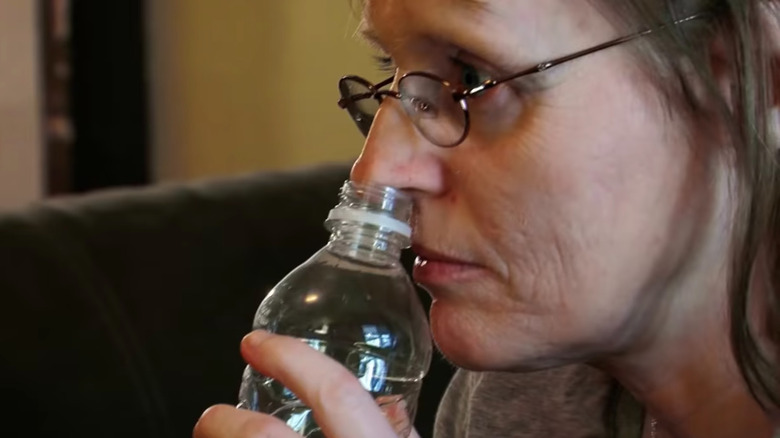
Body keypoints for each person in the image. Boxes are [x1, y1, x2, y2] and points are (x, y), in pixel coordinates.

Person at [193, 0, 780, 437]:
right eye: (391, 74)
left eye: (471, 77)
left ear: (756, 76)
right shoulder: (520, 393)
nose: (376, 173)